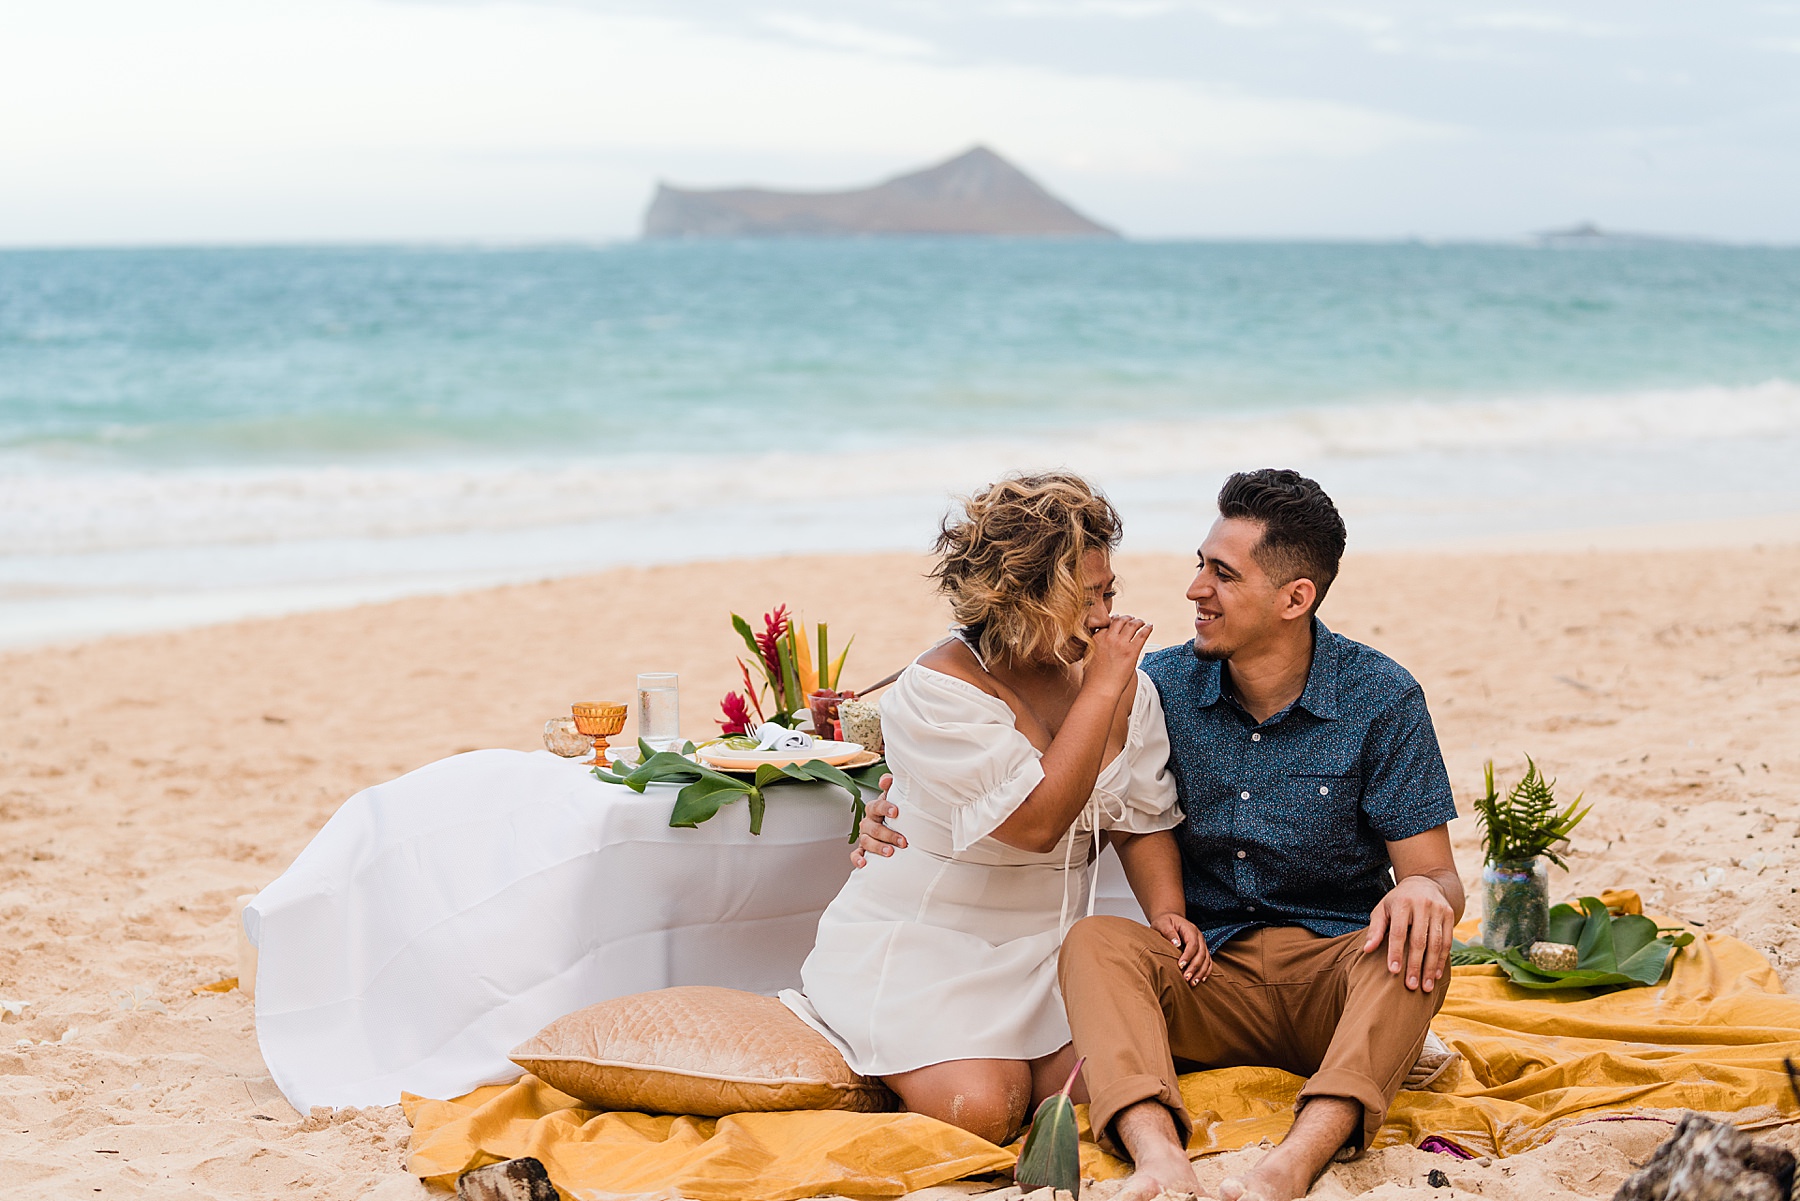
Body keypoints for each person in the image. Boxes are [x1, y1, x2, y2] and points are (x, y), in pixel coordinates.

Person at [857, 469, 1463, 1201]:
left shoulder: (1379, 696)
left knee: (1413, 949)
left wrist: (1427, 895)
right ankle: (1158, 1157)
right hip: (1210, 973)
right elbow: (1033, 798)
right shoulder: (1161, 682)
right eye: (1198, 564)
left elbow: (1437, 874)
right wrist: (882, 804)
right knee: (1093, 946)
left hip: (1331, 965)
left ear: (1295, 597)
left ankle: (1295, 1162)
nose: (1192, 590)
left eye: (1221, 573)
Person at [780, 472, 1196, 1146]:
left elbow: (1137, 818)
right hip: (928, 946)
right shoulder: (936, 690)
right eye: (1083, 598)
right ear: (1020, 600)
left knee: (1109, 1085)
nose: (1103, 616)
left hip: (1052, 954)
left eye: (1109, 592)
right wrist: (1103, 691)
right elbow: (1035, 824)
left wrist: (1167, 913)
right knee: (984, 1109)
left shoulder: (1126, 686)